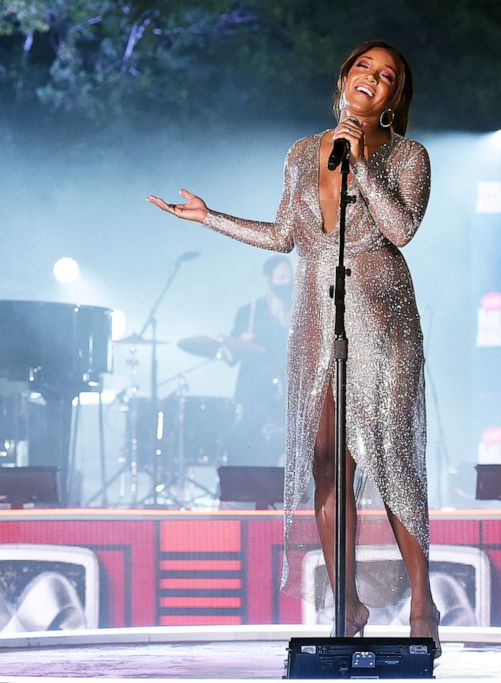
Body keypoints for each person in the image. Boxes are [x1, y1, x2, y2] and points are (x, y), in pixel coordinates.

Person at [148, 41, 439, 653]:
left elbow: (402, 230)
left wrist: (359, 163)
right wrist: (209, 219)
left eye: (387, 76)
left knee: (389, 459)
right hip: (315, 317)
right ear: (344, 77)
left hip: (381, 318)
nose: (372, 78)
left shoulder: (407, 154)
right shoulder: (303, 152)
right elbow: (285, 234)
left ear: (393, 99)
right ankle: (346, 604)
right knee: (328, 464)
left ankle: (423, 603)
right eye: (364, 67)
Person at [223, 255, 292, 466]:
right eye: (281, 277)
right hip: (254, 392)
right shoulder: (249, 313)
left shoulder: (298, 311)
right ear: (268, 279)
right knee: (248, 445)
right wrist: (241, 342)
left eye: (289, 277)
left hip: (286, 392)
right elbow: (230, 356)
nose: (286, 282)